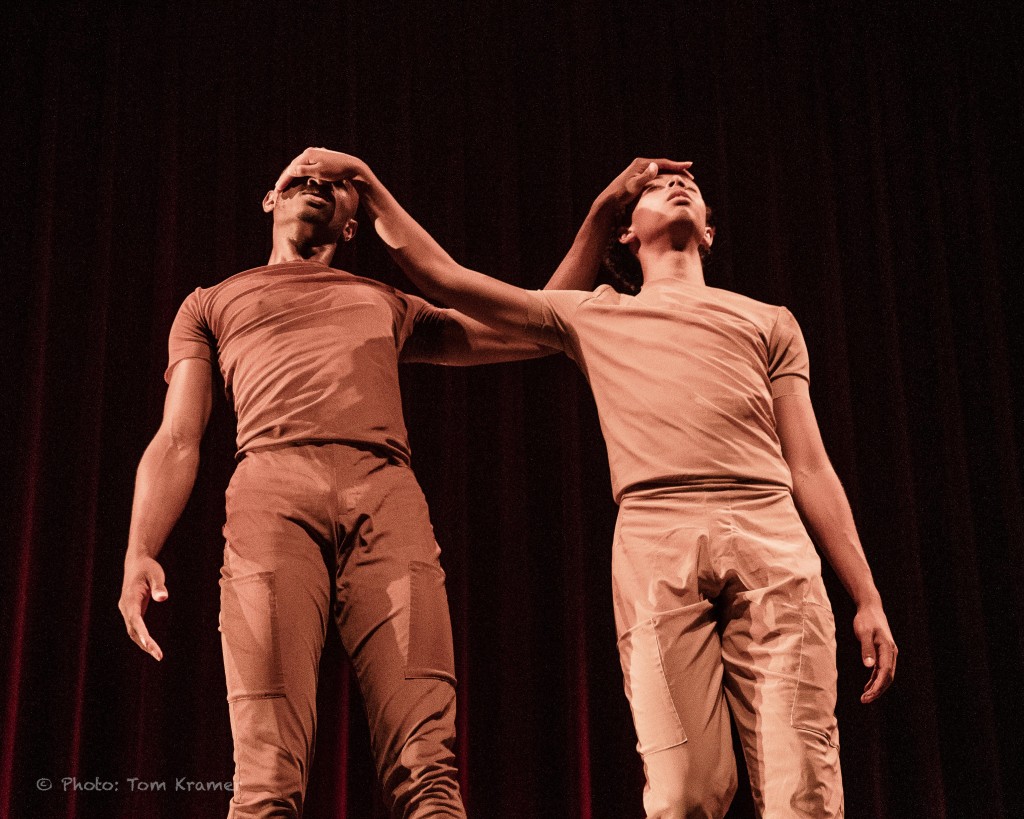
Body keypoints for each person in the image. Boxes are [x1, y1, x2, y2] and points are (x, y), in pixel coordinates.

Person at [272, 148, 899, 818]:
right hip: (655, 536)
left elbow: (810, 464)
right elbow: (448, 279)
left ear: (710, 232)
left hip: (768, 528)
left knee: (804, 788)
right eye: (659, 187)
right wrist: (368, 184)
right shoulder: (594, 313)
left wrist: (866, 594)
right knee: (684, 792)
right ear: (627, 233)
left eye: (690, 186)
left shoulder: (769, 320)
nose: (679, 185)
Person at [115, 155, 660, 817]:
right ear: (269, 200)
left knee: (427, 766)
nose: (315, 184)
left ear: (354, 224)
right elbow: (177, 437)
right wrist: (140, 549)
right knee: (264, 777)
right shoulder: (210, 302)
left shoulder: (386, 301)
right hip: (271, 496)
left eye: (333, 184)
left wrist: (601, 217)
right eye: (299, 179)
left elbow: (536, 326)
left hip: (385, 496)